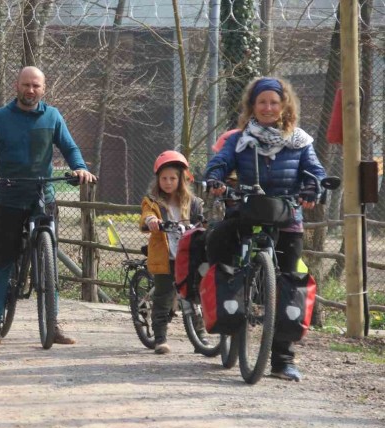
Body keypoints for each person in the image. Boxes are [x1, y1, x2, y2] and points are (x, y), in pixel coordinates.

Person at [204, 76, 326, 382]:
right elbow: (220, 162)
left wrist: (313, 189)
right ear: (252, 106)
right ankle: (226, 309)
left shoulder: (300, 141)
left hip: (287, 217)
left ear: (284, 105)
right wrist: (216, 179)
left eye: (274, 102)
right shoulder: (240, 139)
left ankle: (282, 360)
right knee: (217, 242)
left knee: (289, 283)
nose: (268, 108)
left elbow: (316, 172)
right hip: (246, 210)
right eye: (262, 102)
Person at [0, 66, 97, 346]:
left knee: (49, 258)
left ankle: (52, 324)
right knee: (2, 262)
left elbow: (70, 148)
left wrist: (79, 168)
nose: (30, 90)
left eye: (36, 86)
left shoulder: (52, 117)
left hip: (43, 196)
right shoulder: (0, 118)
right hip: (9, 198)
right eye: (26, 85)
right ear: (16, 86)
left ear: (44, 88)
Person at [140, 151, 204, 354]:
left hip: (187, 257)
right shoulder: (152, 201)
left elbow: (202, 219)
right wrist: (151, 221)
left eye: (173, 178)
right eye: (164, 178)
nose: (168, 182)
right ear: (158, 180)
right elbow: (146, 215)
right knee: (163, 297)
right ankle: (160, 338)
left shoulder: (193, 202)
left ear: (181, 179)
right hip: (165, 257)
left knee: (194, 295)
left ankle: (200, 337)